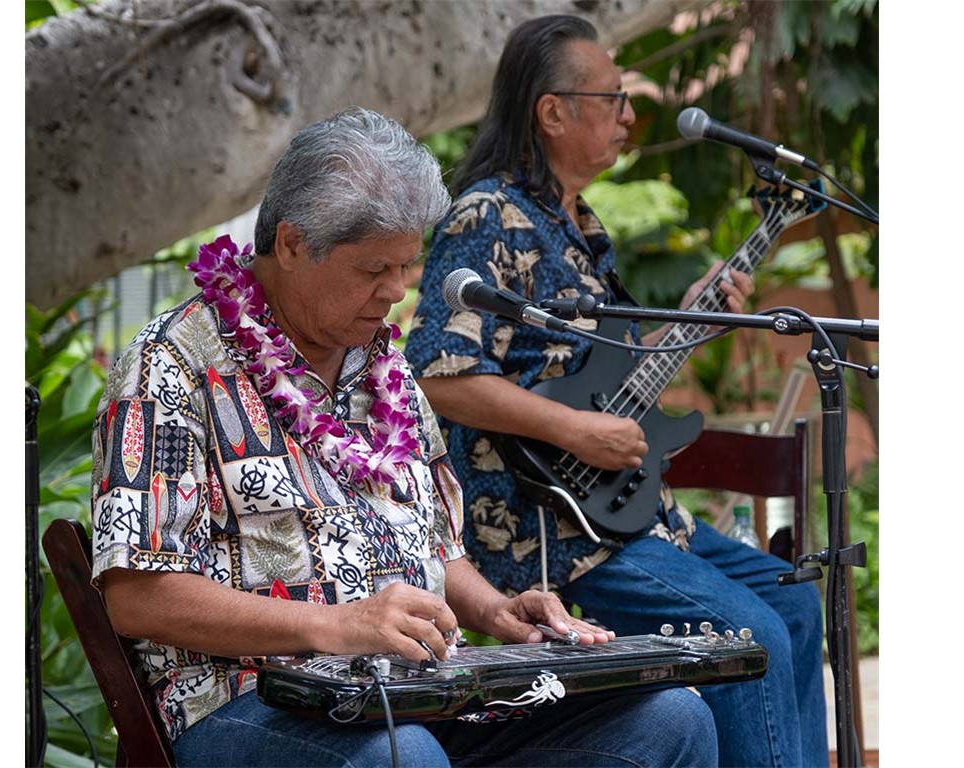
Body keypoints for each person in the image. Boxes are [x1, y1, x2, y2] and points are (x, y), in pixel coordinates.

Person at [90, 106, 718, 767]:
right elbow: (138, 594)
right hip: (248, 704)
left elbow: (438, 553)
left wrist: (497, 610)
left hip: (420, 694)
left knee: (668, 718)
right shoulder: (173, 362)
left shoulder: (386, 368)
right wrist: (333, 627)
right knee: (402, 758)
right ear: (294, 244)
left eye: (405, 266)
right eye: (372, 270)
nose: (395, 291)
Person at [404, 15, 829, 768]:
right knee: (749, 637)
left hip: (629, 517)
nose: (631, 116)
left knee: (794, 600)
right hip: (548, 533)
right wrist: (575, 434)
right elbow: (443, 376)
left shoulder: (582, 229)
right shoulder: (486, 215)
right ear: (553, 110)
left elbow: (604, 383)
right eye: (614, 98)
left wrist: (694, 313)